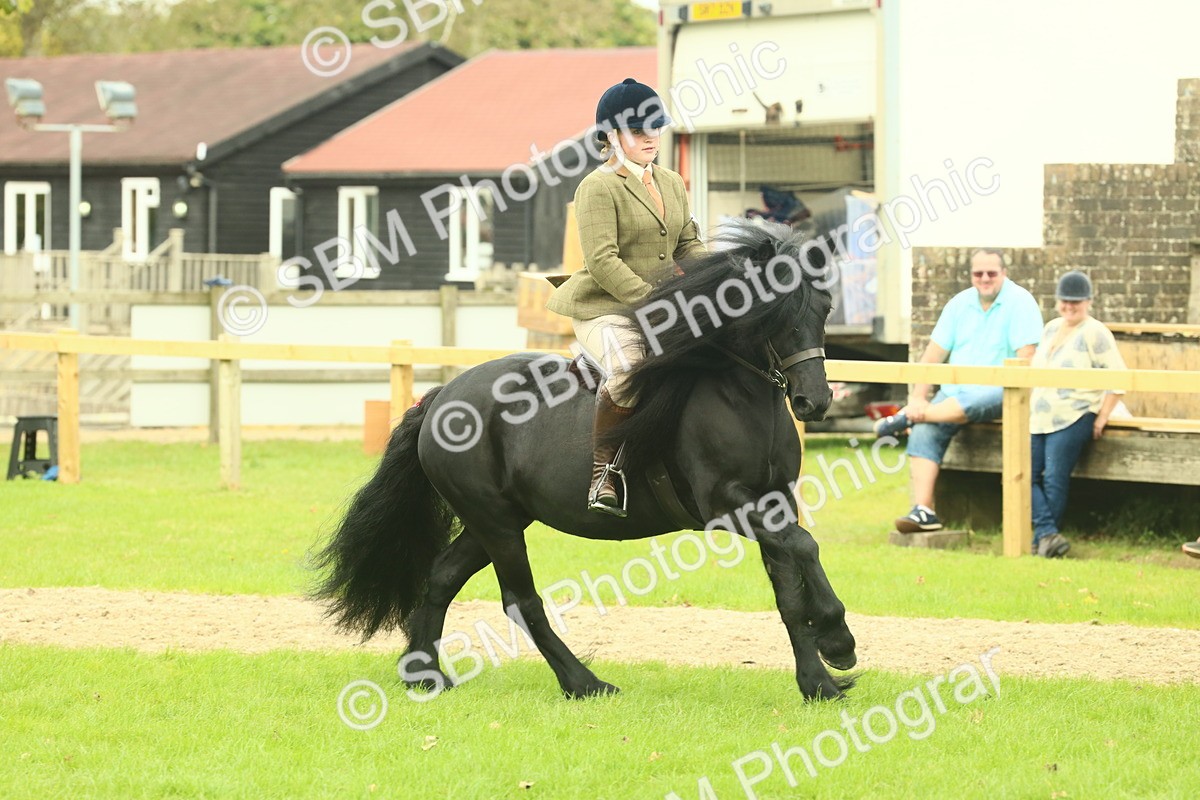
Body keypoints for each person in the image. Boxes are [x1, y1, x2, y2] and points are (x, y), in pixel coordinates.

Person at [546, 78, 706, 517]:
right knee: (631, 367)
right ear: (612, 136)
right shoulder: (597, 187)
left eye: (656, 128)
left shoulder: (671, 182)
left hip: (662, 302)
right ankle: (605, 473)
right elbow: (602, 261)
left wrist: (709, 283)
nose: (650, 137)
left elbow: (688, 244)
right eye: (639, 131)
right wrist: (655, 301)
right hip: (605, 306)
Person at [874, 249, 1043, 533]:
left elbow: (1027, 359)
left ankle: (910, 417)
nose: (985, 279)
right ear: (971, 275)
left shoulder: (1020, 301)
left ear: (1004, 273)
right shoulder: (959, 303)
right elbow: (932, 357)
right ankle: (924, 511)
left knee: (973, 399)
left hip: (1004, 391)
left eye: (991, 273)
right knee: (926, 430)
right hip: (951, 397)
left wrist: (918, 410)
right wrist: (917, 397)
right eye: (979, 273)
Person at [1028, 271, 1127, 557]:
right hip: (1039, 416)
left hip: (1075, 413)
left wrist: (1102, 416)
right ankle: (1047, 535)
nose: (1070, 307)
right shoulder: (1050, 328)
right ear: (1058, 301)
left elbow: (1118, 377)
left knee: (1054, 477)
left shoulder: (1095, 332)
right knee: (1025, 474)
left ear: (1088, 302)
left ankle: (1044, 541)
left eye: (1076, 302)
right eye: (1065, 301)